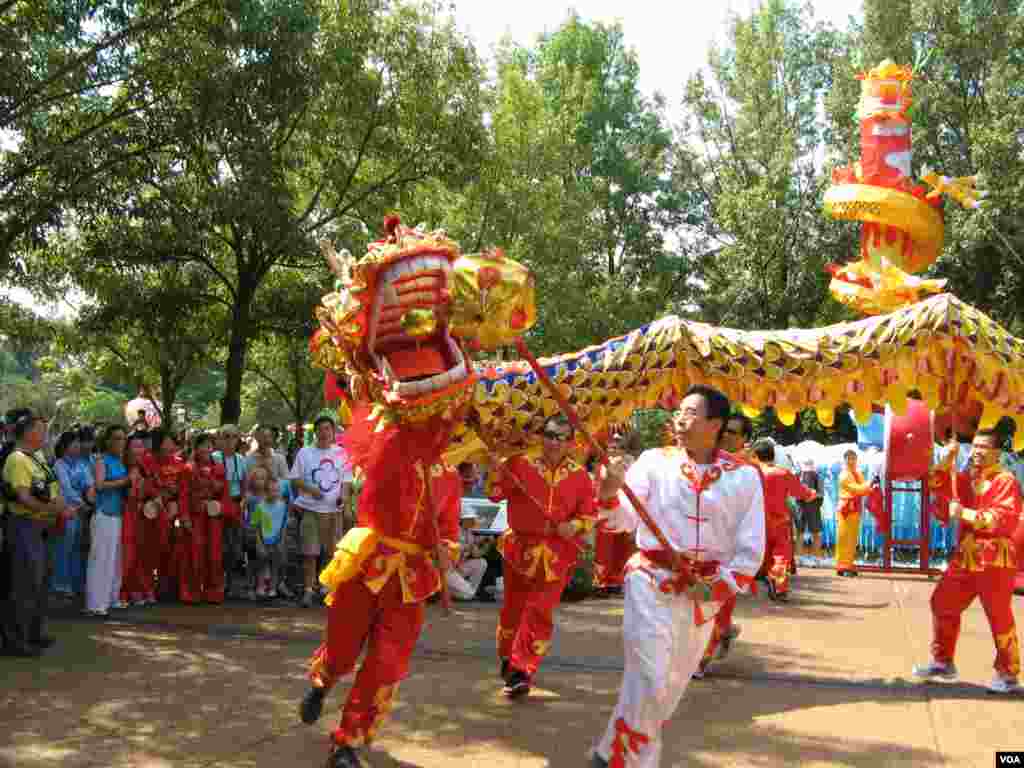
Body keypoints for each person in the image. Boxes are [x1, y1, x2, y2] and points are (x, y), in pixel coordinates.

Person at [591, 386, 765, 768]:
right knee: (649, 674)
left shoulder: (746, 478)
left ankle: (609, 753)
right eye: (679, 412)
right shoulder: (654, 462)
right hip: (650, 581)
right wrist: (607, 493)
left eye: (690, 413)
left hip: (703, 597)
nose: (679, 419)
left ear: (715, 424)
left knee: (668, 688)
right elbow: (621, 518)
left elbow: (750, 551)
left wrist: (716, 587)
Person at [297, 454, 461, 768]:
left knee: (386, 664)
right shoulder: (387, 453)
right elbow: (369, 498)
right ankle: (322, 684)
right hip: (367, 564)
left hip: (409, 581)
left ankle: (348, 740)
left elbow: (450, 529)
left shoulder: (450, 474)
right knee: (342, 650)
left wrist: (448, 550)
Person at [488, 414, 597, 698]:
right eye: (550, 435)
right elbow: (495, 495)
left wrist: (572, 525)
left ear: (572, 443)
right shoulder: (519, 463)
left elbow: (588, 514)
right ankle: (508, 657)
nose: (554, 442)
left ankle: (522, 669)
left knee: (540, 610)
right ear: (541, 436)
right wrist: (495, 469)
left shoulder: (581, 476)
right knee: (513, 610)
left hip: (558, 552)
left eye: (562, 437)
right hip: (518, 549)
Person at [913, 429, 1022, 694]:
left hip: (995, 556)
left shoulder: (1005, 480)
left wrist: (965, 513)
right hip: (967, 555)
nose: (976, 451)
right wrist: (947, 459)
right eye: (973, 446)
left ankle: (1008, 674)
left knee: (999, 615)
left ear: (997, 452)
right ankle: (942, 661)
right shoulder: (968, 477)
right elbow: (937, 484)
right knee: (942, 602)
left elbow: (1001, 518)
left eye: (983, 447)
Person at [697, 411, 759, 676]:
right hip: (695, 550)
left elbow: (755, 519)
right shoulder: (700, 461)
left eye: (733, 432)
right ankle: (723, 633)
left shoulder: (749, 472)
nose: (725, 436)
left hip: (728, 556)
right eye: (723, 430)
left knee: (717, 607)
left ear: (745, 439)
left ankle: (700, 659)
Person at [1, 410, 68, 654]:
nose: (45, 435)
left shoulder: (36, 456)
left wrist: (56, 507)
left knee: (40, 583)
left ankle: (33, 633)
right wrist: (52, 508)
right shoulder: (17, 459)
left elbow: (49, 487)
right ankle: (16, 641)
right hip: (24, 525)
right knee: (24, 584)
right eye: (41, 430)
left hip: (41, 526)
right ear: (28, 433)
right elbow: (23, 497)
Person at [290, 416, 352, 608]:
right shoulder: (304, 453)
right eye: (320, 429)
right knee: (310, 552)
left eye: (328, 429)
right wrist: (311, 490)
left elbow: (347, 481)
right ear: (315, 432)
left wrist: (344, 498)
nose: (324, 433)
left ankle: (326, 587)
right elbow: (294, 479)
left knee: (331, 552)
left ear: (334, 432)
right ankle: (308, 589)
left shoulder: (342, 453)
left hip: (333, 511)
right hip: (310, 509)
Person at [750, 439, 816, 602]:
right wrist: (811, 493)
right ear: (773, 455)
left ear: (756, 456)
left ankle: (760, 579)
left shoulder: (751, 473)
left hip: (757, 522)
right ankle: (779, 588)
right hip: (780, 521)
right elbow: (801, 493)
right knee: (780, 555)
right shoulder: (783, 473)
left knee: (759, 554)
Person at [84, 426, 132, 616]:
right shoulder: (101, 460)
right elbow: (100, 485)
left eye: (122, 439)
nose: (121, 443)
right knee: (100, 559)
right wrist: (125, 482)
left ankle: (111, 597)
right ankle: (95, 604)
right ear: (107, 441)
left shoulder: (120, 461)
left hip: (117, 514)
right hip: (104, 514)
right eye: (117, 439)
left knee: (114, 559)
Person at [593, 431, 640, 596]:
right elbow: (598, 487)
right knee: (603, 549)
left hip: (626, 509)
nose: (613, 448)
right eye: (611, 446)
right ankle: (601, 583)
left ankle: (617, 581)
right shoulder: (600, 464)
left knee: (623, 548)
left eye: (617, 445)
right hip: (606, 510)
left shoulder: (632, 463)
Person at [52, 430, 94, 599]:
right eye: (74, 443)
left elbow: (89, 483)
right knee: (64, 547)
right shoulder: (59, 465)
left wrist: (89, 501)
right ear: (64, 446)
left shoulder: (81, 465)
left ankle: (76, 583)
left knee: (78, 547)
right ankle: (60, 584)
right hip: (67, 511)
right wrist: (82, 503)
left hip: (81, 511)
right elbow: (66, 489)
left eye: (78, 443)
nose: (78, 446)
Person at [189, 433, 227, 603]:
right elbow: (183, 494)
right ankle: (193, 592)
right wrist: (184, 516)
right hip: (195, 515)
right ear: (196, 448)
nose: (207, 449)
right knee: (195, 553)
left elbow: (223, 492)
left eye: (210, 445)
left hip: (213, 516)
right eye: (203, 445)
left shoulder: (219, 467)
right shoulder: (188, 468)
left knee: (214, 554)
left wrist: (222, 509)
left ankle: (214, 592)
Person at [214, 424, 247, 599]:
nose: (229, 441)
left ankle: (231, 583)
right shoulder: (213, 458)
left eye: (233, 437)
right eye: (225, 436)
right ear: (218, 439)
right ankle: (217, 582)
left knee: (234, 546)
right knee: (218, 545)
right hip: (217, 505)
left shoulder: (241, 460)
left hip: (234, 504)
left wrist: (243, 502)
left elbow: (244, 485)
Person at [836, 449, 872, 577]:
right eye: (849, 459)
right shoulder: (844, 475)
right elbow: (857, 489)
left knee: (852, 538)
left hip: (855, 508)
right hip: (846, 508)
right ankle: (842, 565)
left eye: (853, 459)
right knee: (844, 537)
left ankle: (848, 564)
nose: (851, 461)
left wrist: (871, 486)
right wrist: (870, 485)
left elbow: (864, 488)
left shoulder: (857, 473)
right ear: (845, 460)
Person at [447, 509, 488, 601]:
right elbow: (458, 548)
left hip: (458, 567)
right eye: (470, 519)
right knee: (467, 594)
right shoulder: (454, 530)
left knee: (481, 562)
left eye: (473, 519)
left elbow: (476, 554)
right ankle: (443, 591)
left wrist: (487, 544)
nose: (473, 521)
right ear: (463, 520)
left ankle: (468, 591)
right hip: (448, 569)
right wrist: (472, 544)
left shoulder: (468, 532)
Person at [795, 459, 824, 566]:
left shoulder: (817, 476)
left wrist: (813, 495)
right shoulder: (797, 475)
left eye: (809, 470)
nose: (807, 473)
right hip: (800, 505)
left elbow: (821, 493)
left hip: (814, 507)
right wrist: (802, 495)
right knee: (799, 532)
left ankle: (816, 559)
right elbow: (792, 492)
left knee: (815, 533)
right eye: (806, 470)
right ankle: (798, 558)